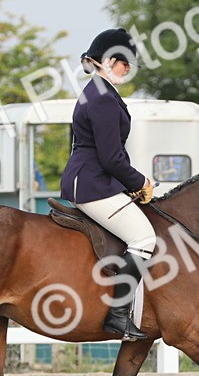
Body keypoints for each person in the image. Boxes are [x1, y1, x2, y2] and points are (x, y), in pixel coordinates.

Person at [61, 28, 156, 341]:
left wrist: (127, 184)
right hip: (91, 183)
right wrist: (139, 181)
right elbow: (111, 157)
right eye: (122, 62)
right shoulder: (101, 98)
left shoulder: (100, 91)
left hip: (94, 179)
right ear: (105, 61)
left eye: (129, 63)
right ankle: (118, 314)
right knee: (144, 238)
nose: (127, 68)